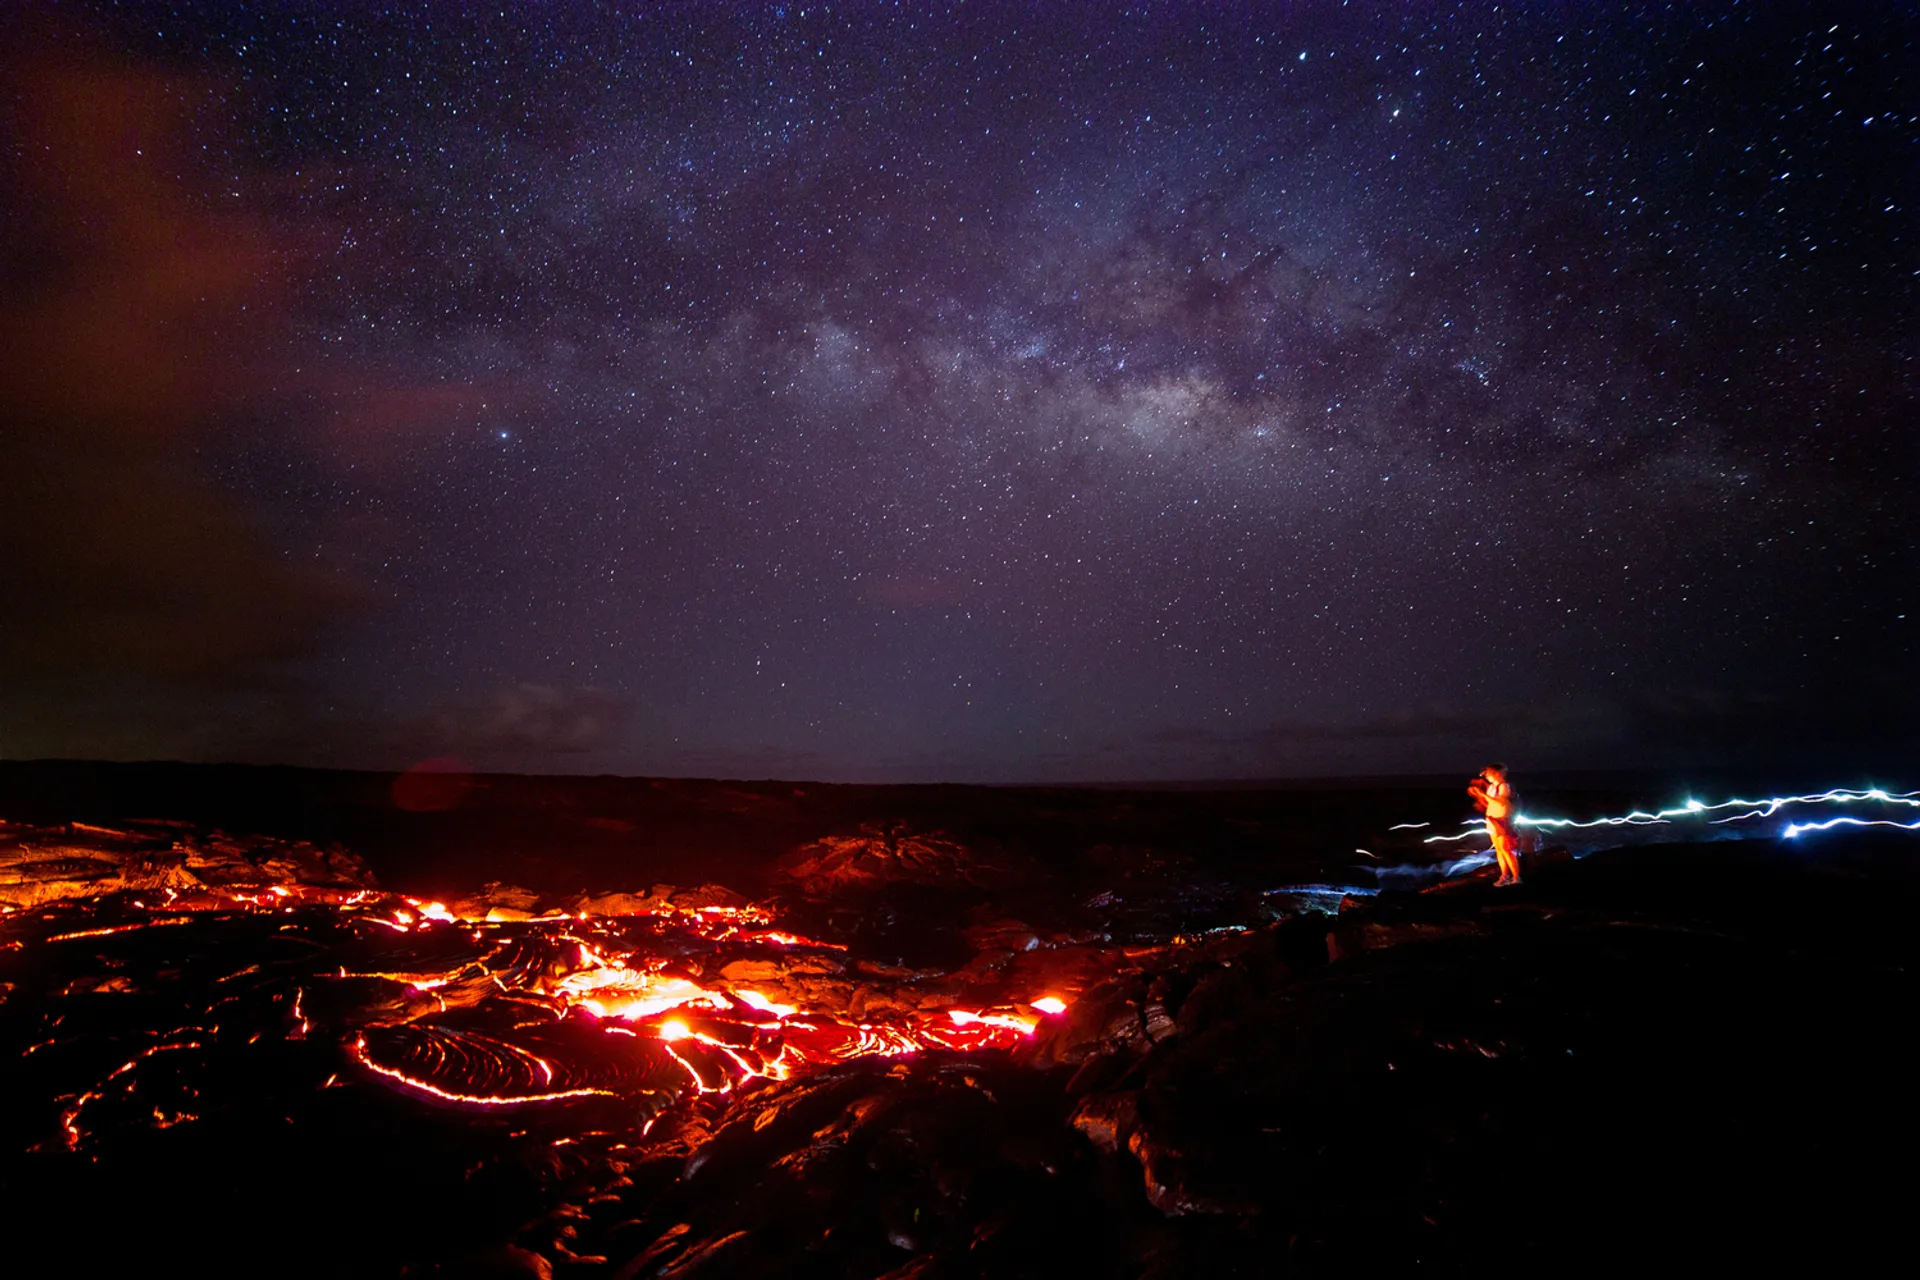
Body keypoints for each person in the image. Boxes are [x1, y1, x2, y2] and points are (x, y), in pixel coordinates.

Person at [1468, 764, 1522, 887]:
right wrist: (1477, 795)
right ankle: (1504, 876)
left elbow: (1500, 803)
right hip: (1492, 820)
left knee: (1506, 850)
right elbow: (1490, 803)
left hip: (1502, 821)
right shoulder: (1492, 787)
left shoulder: (1504, 786)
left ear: (1497, 774)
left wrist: (1482, 794)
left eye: (1489, 773)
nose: (1487, 776)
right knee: (1499, 850)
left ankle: (1516, 877)